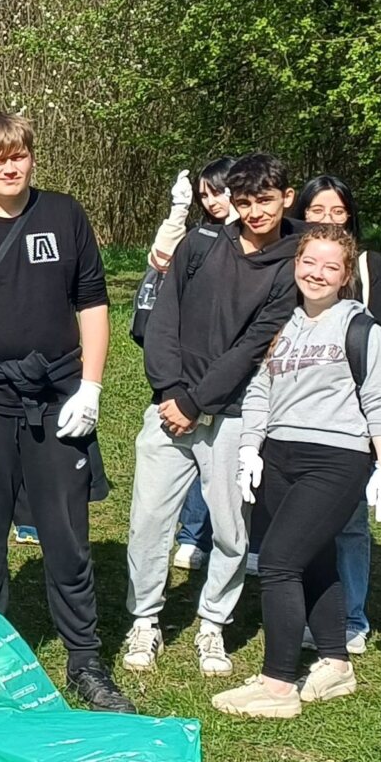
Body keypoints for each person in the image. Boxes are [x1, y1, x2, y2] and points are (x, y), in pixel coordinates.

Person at [0, 113, 127, 713]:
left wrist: (90, 388)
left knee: (66, 533)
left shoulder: (64, 215)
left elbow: (91, 302)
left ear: (32, 157)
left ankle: (86, 661)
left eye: (20, 155)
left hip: (57, 393)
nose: (10, 166)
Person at [212, 223, 381, 718]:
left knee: (277, 563)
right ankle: (336, 664)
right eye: (309, 262)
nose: (317, 273)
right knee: (313, 560)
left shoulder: (362, 329)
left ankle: (278, 686)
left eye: (330, 266)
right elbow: (259, 392)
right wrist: (250, 448)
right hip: (278, 456)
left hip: (336, 460)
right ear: (296, 264)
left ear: (345, 276)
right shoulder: (284, 324)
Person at [121, 152, 302, 678]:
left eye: (265, 200)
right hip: (169, 406)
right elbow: (163, 317)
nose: (254, 212)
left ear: (287, 198)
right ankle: (145, 620)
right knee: (149, 521)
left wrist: (198, 403)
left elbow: (253, 346)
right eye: (243, 202)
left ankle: (212, 624)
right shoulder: (200, 244)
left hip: (236, 414)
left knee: (229, 530)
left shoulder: (293, 264)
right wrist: (172, 392)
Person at [299, 173, 381, 655]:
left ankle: (351, 618)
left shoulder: (368, 266)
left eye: (338, 212)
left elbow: (379, 339)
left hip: (350, 413)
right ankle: (308, 612)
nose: (329, 219)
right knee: (299, 519)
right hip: (293, 411)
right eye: (318, 211)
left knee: (350, 521)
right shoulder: (291, 263)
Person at [158, 157, 234, 570]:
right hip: (193, 359)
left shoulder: (258, 236)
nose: (212, 202)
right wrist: (177, 213)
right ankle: (191, 535)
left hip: (241, 365)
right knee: (194, 447)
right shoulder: (200, 236)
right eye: (204, 195)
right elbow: (161, 258)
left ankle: (238, 540)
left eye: (217, 191)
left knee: (230, 463)